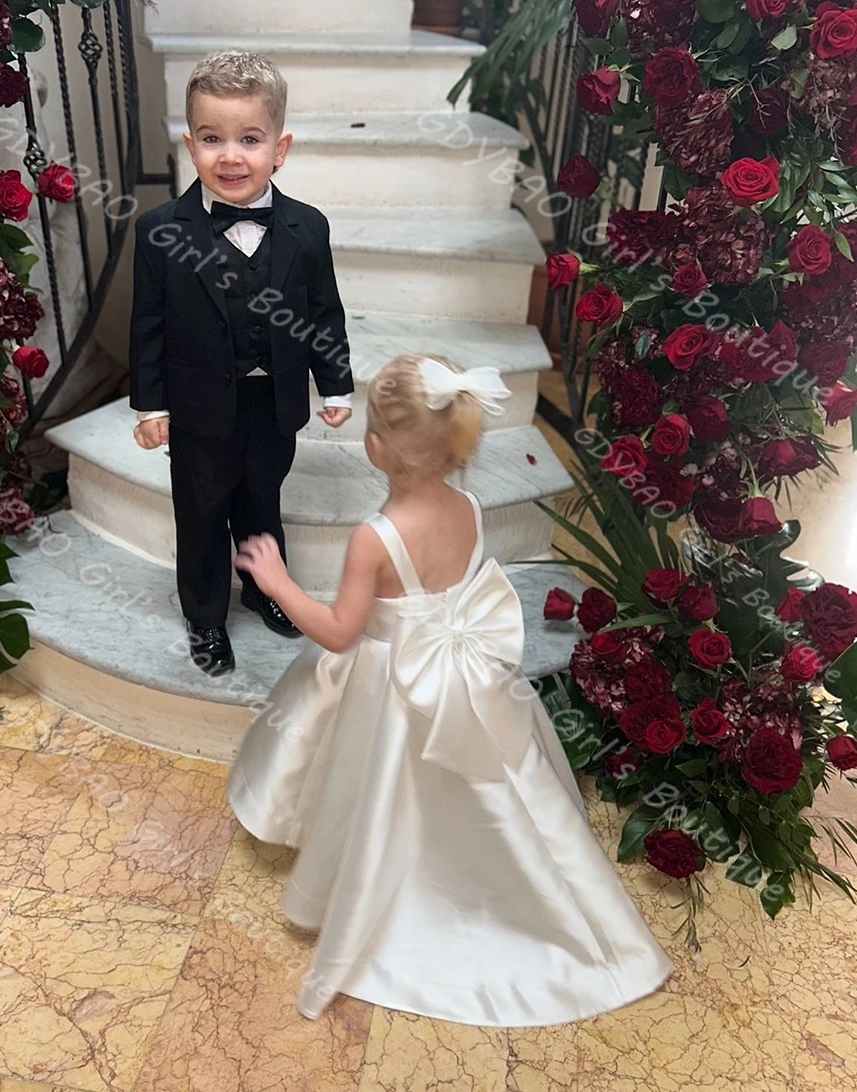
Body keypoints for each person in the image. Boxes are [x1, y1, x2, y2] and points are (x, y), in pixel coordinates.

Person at [228, 353, 673, 1027]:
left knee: (376, 781)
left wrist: (278, 583)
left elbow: (342, 632)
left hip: (390, 682)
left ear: (375, 447)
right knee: (495, 781)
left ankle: (375, 882)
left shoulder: (374, 538)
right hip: (463, 677)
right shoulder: (468, 504)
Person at [129, 52, 354, 675]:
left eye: (249, 139)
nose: (231, 156)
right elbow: (146, 325)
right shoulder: (159, 232)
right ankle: (204, 617)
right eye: (212, 139)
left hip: (272, 403)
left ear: (279, 148)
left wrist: (334, 384)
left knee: (261, 502)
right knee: (201, 511)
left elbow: (323, 314)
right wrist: (151, 404)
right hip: (199, 409)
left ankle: (264, 588)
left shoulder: (307, 229)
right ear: (189, 144)